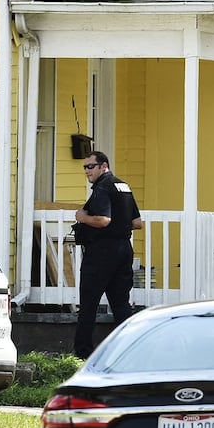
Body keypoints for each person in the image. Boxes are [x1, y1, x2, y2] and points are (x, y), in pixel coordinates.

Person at [73, 151, 143, 358]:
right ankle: (130, 351)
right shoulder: (123, 186)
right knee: (120, 303)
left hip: (102, 251)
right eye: (84, 167)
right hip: (123, 250)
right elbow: (137, 223)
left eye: (90, 167)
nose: (87, 171)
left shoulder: (102, 187)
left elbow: (103, 220)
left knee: (89, 303)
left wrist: (83, 218)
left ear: (103, 166)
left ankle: (83, 353)